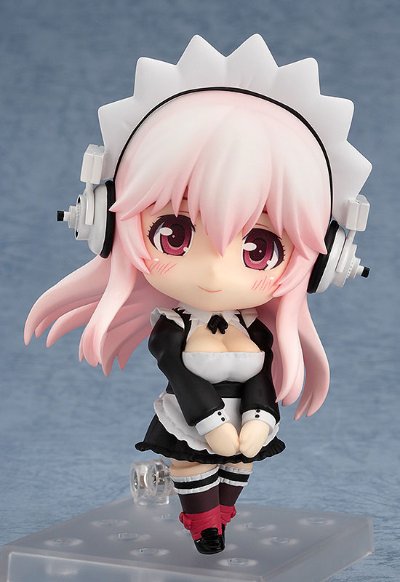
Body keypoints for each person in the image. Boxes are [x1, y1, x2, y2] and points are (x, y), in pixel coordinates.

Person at [25, 35, 371, 554]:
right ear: (106, 224)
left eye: (258, 248)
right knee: (192, 464)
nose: (212, 269)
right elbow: (181, 375)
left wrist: (260, 418)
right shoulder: (173, 328)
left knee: (240, 467)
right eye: (174, 235)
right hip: (190, 415)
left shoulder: (255, 328)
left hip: (242, 421)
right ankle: (204, 524)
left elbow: (260, 379)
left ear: (323, 260)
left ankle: (223, 512)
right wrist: (211, 422)